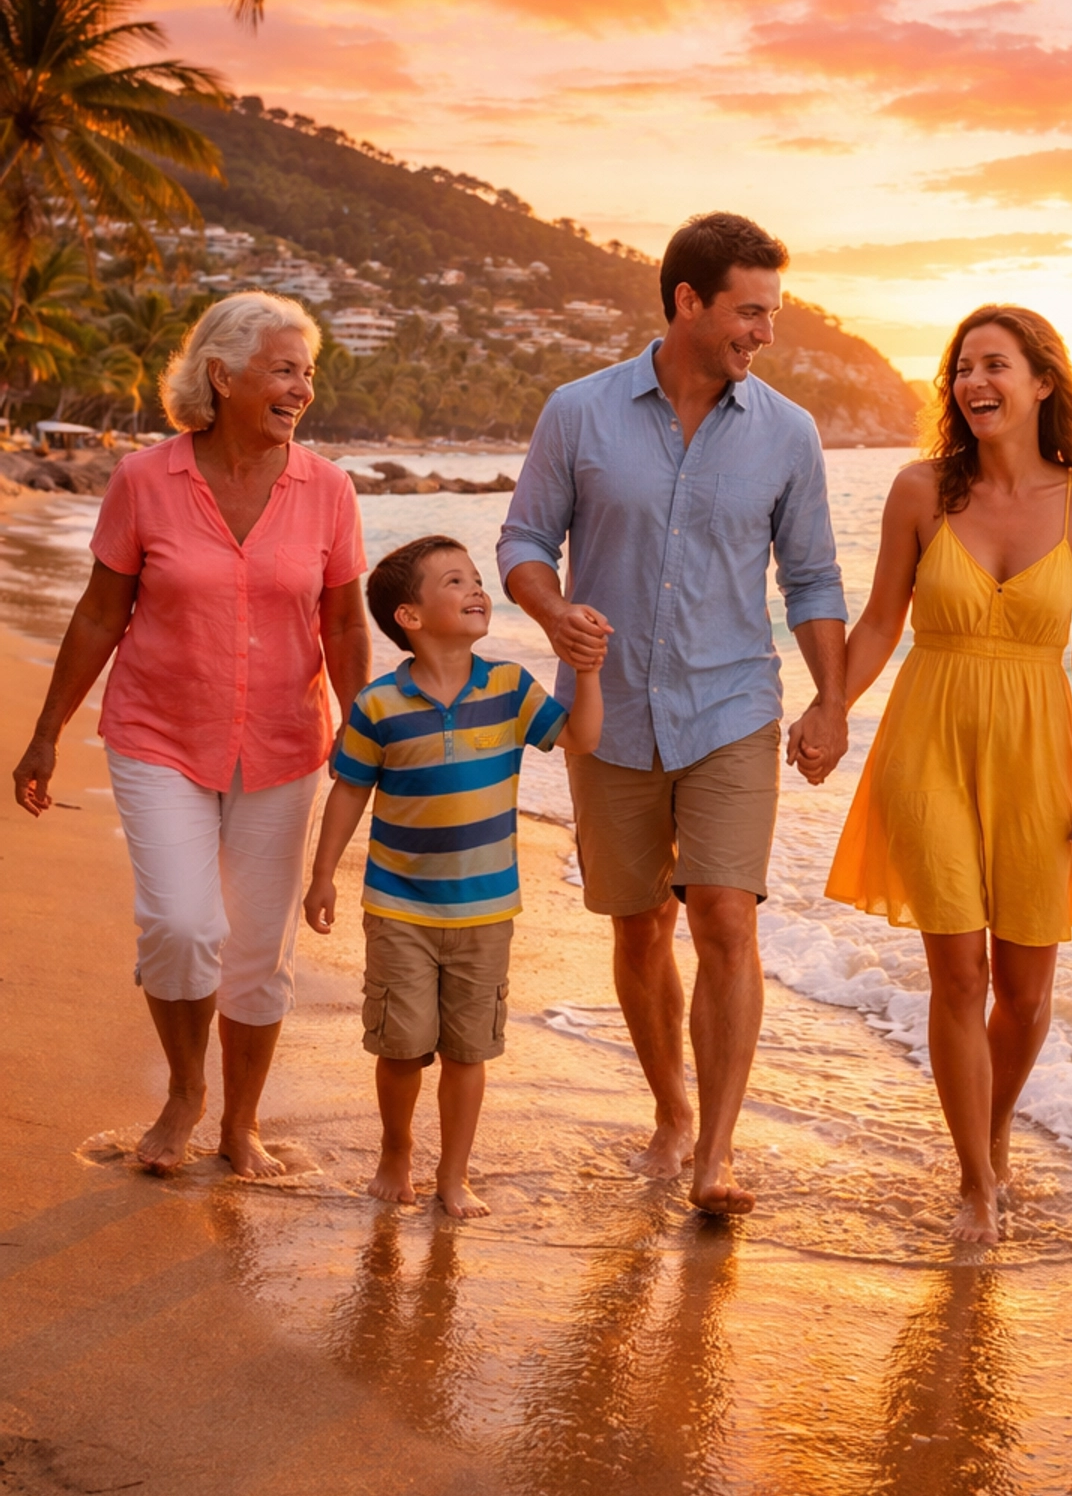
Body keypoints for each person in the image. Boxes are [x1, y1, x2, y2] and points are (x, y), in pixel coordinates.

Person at [498, 210, 848, 1218]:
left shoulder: (788, 432)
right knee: (640, 923)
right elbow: (523, 540)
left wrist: (832, 699)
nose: (764, 333)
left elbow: (814, 578)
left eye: (772, 313)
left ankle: (717, 1156)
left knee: (726, 914)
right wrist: (553, 610)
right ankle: (671, 1110)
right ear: (688, 302)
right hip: (608, 712)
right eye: (750, 311)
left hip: (733, 702)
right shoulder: (580, 412)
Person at [11, 292, 370, 1176]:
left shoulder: (327, 488)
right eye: (284, 370)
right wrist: (48, 732)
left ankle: (240, 1123)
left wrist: (372, 737)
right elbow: (101, 616)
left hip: (286, 743)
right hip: (159, 734)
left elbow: (348, 627)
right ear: (223, 374)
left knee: (259, 949)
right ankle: (185, 1093)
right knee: (180, 924)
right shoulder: (145, 480)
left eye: (307, 373)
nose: (301, 390)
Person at [825, 307, 1072, 1248]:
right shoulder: (922, 491)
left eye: (995, 365)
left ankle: (994, 1129)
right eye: (961, 368)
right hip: (928, 740)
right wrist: (830, 705)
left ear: (1043, 382)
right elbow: (879, 623)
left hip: (1037, 753)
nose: (972, 382)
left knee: (1026, 987)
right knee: (959, 974)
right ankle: (974, 1182)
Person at [304, 537, 603, 1218]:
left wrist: (585, 671)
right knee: (402, 1048)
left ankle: (454, 1173)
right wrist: (322, 874)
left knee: (469, 1052)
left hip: (486, 909)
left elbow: (582, 739)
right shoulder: (379, 705)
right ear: (409, 616)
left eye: (476, 578)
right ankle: (395, 1152)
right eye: (455, 581)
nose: (476, 589)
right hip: (398, 905)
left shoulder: (511, 689)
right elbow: (349, 790)